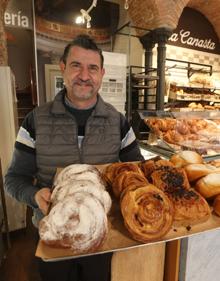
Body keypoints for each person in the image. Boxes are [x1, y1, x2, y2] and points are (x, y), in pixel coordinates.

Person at [4, 34, 144, 281]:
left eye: (92, 68)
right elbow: (13, 179)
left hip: (102, 234)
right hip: (53, 233)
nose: (84, 75)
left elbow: (137, 174)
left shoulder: (119, 123)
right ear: (63, 68)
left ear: (101, 74)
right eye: (76, 65)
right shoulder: (35, 121)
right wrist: (34, 196)